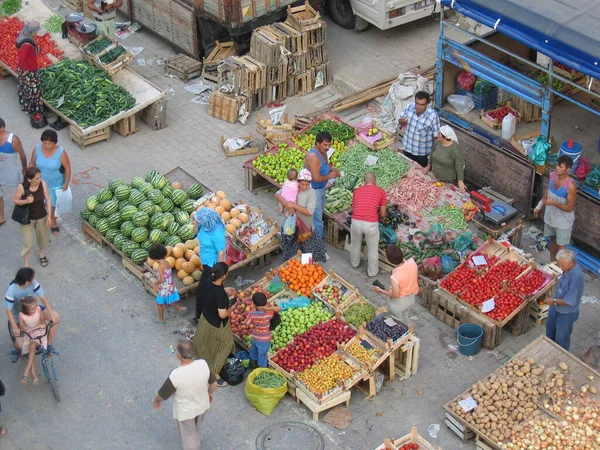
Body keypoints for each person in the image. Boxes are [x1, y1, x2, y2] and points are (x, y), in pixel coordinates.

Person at [153, 339, 217, 450]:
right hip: (202, 405)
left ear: (178, 356)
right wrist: (209, 393)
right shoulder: (203, 364)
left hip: (186, 412)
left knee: (189, 435)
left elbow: (162, 394)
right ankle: (195, 437)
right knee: (196, 427)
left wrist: (156, 401)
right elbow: (214, 383)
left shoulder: (176, 375)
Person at [193, 263, 237, 387]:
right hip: (216, 324)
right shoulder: (220, 296)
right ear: (223, 276)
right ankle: (214, 373)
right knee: (226, 344)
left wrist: (224, 289)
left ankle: (204, 359)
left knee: (207, 342)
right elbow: (223, 314)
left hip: (205, 317)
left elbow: (213, 291)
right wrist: (232, 307)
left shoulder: (208, 280)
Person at [5, 267, 60, 362]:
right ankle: (16, 348)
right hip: (19, 316)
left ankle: (48, 345)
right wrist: (15, 328)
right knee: (20, 346)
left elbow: (43, 298)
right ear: (27, 282)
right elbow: (9, 311)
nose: (34, 278)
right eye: (32, 277)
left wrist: (51, 314)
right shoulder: (11, 290)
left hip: (33, 310)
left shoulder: (32, 282)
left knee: (56, 317)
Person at [275, 169, 327, 263]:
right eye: (302, 184)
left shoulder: (311, 193)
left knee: (308, 255)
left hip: (305, 228)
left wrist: (294, 206)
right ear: (298, 181)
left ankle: (307, 268)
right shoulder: (292, 186)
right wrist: (286, 204)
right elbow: (277, 194)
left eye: (306, 184)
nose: (304, 187)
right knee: (291, 256)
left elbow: (309, 212)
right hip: (290, 228)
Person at [534, 155, 577, 262]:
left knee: (561, 247)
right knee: (552, 241)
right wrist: (540, 204)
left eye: (561, 166)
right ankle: (552, 264)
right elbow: (548, 189)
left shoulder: (570, 186)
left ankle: (559, 270)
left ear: (568, 169)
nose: (557, 168)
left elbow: (570, 208)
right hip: (551, 218)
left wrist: (554, 203)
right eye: (557, 165)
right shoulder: (552, 175)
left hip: (563, 222)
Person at [29, 129, 71, 235]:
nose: (47, 146)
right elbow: (32, 163)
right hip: (40, 183)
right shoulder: (37, 149)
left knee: (53, 204)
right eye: (45, 143)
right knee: (41, 202)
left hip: (55, 185)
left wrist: (66, 183)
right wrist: (29, 178)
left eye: (50, 143)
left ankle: (52, 221)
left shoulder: (61, 152)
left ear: (55, 143)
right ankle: (45, 218)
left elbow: (67, 168)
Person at [191, 208, 226, 325]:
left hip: (212, 267)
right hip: (205, 262)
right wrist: (195, 223)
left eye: (199, 220)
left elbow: (221, 253)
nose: (198, 222)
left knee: (203, 292)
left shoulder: (217, 232)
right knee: (206, 291)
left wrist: (218, 273)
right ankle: (202, 315)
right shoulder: (205, 226)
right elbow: (195, 232)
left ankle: (200, 317)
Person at [545, 249, 584, 351]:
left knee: (561, 340)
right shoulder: (567, 269)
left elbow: (569, 301)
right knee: (550, 331)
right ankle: (549, 352)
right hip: (556, 308)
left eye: (562, 265)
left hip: (566, 313)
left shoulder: (576, 276)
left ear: (571, 263)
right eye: (560, 265)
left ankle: (560, 360)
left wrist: (553, 301)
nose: (560, 268)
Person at [13, 167, 52, 267]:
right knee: (28, 243)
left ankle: (42, 254)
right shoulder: (21, 187)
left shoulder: (43, 184)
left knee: (42, 238)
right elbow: (15, 200)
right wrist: (26, 201)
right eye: (37, 178)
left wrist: (50, 216)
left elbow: (48, 199)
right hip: (27, 219)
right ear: (30, 179)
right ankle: (26, 263)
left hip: (41, 216)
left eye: (40, 177)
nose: (39, 180)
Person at [304, 131, 340, 239]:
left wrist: (332, 168)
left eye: (329, 145)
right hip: (314, 190)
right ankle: (317, 244)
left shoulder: (323, 153)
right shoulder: (313, 157)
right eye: (325, 145)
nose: (327, 147)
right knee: (317, 218)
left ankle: (316, 237)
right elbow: (316, 178)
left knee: (318, 214)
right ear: (318, 143)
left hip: (321, 189)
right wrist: (331, 176)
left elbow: (325, 164)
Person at [350, 173, 387, 277]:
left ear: (364, 181)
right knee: (372, 249)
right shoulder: (381, 191)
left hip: (356, 221)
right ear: (375, 181)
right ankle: (372, 272)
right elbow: (383, 214)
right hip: (370, 224)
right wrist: (378, 216)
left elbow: (355, 207)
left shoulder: (356, 191)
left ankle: (354, 264)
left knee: (355, 244)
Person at [373, 245, 419, 319]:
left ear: (390, 260)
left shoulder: (395, 277)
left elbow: (395, 295)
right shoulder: (412, 263)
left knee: (398, 323)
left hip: (400, 303)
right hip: (411, 298)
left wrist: (380, 290)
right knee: (405, 315)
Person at [398, 91, 440, 167]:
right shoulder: (409, 107)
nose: (418, 107)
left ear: (427, 104)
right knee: (407, 170)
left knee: (421, 175)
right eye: (417, 103)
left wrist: (433, 154)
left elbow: (436, 136)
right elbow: (400, 123)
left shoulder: (433, 115)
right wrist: (401, 121)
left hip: (422, 154)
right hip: (407, 148)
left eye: (422, 105)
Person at [16, 21, 46, 127]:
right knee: (33, 91)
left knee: (25, 88)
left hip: (28, 68)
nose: (37, 33)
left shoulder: (25, 36)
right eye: (36, 31)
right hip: (29, 71)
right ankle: (35, 110)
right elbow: (22, 58)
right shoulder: (27, 44)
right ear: (31, 31)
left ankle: (27, 106)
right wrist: (26, 69)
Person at [149, 244, 187, 324]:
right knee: (170, 299)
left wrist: (155, 283)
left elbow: (162, 279)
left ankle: (161, 319)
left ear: (154, 258)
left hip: (165, 288)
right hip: (170, 285)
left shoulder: (160, 267)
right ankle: (180, 308)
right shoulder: (166, 262)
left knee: (159, 303)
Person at [0, 118, 27, 226]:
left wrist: (24, 168)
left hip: (10, 172)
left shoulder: (13, 139)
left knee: (21, 191)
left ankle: (25, 211)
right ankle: (1, 217)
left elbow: (22, 154)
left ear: (1, 129)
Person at [423, 125, 467, 193]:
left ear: (445, 137)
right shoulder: (437, 142)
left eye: (439, 134)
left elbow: (459, 165)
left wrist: (460, 181)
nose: (437, 135)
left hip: (447, 179)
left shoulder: (455, 149)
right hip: (434, 174)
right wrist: (428, 167)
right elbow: (432, 154)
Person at [246, 292, 281, 369]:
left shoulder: (252, 314)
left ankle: (253, 365)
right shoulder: (269, 313)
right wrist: (266, 308)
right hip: (265, 339)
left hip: (255, 337)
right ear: (265, 303)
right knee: (262, 354)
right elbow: (279, 309)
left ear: (254, 304)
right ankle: (262, 368)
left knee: (253, 350)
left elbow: (247, 324)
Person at [18, 296, 46, 385]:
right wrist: (25, 330)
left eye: (35, 306)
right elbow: (21, 327)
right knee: (32, 348)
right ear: (26, 310)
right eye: (32, 309)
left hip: (39, 330)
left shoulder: (38, 309)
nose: (35, 309)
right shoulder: (22, 315)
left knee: (32, 346)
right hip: (29, 332)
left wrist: (42, 324)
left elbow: (42, 321)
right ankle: (33, 375)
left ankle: (27, 372)